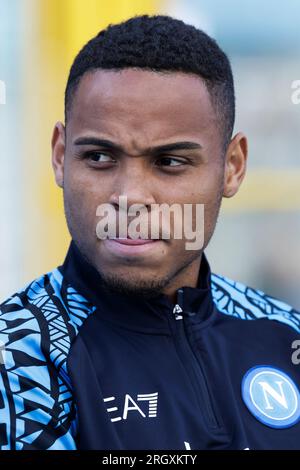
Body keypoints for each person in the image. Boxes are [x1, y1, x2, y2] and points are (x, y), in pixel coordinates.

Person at [0, 14, 299, 451]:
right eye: (100, 157)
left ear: (232, 167)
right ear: (61, 156)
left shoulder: (284, 334)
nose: (130, 197)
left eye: (170, 162)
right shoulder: (19, 361)